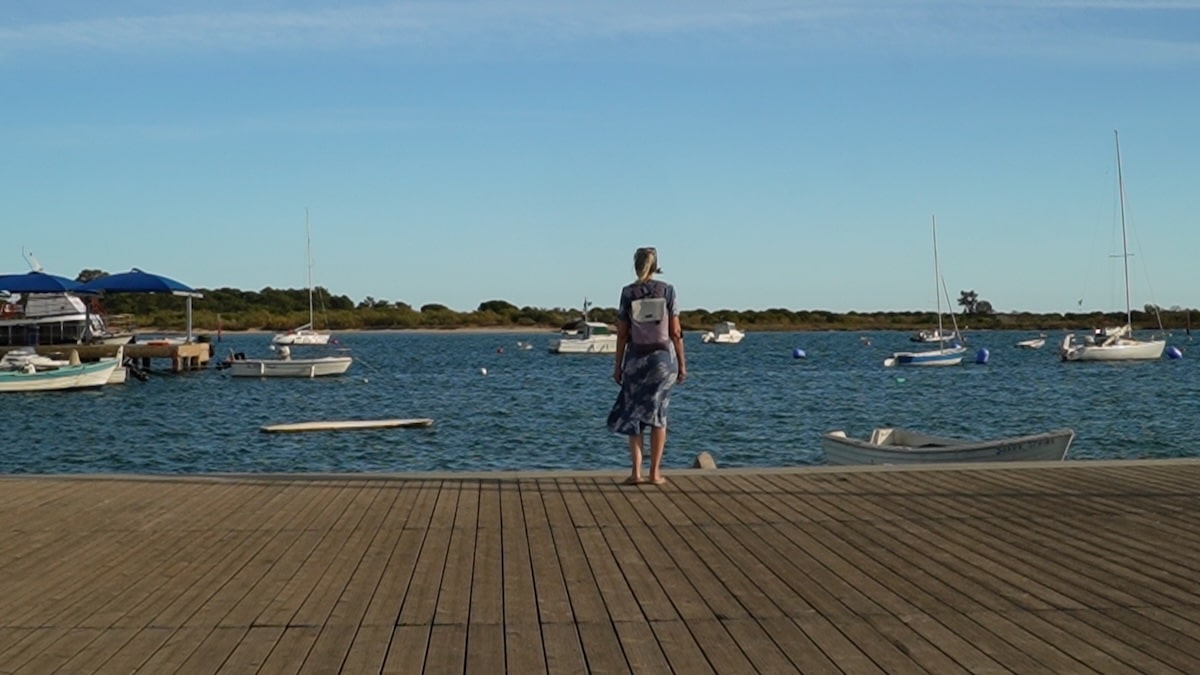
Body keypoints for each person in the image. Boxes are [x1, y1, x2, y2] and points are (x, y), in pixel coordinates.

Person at [606, 246, 687, 485]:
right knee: (659, 415)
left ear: (636, 265)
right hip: (663, 360)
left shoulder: (628, 293)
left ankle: (636, 473)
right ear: (655, 265)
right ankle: (655, 473)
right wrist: (682, 364)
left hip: (635, 360)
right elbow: (676, 332)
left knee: (635, 416)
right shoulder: (667, 291)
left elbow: (622, 334)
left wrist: (617, 366)